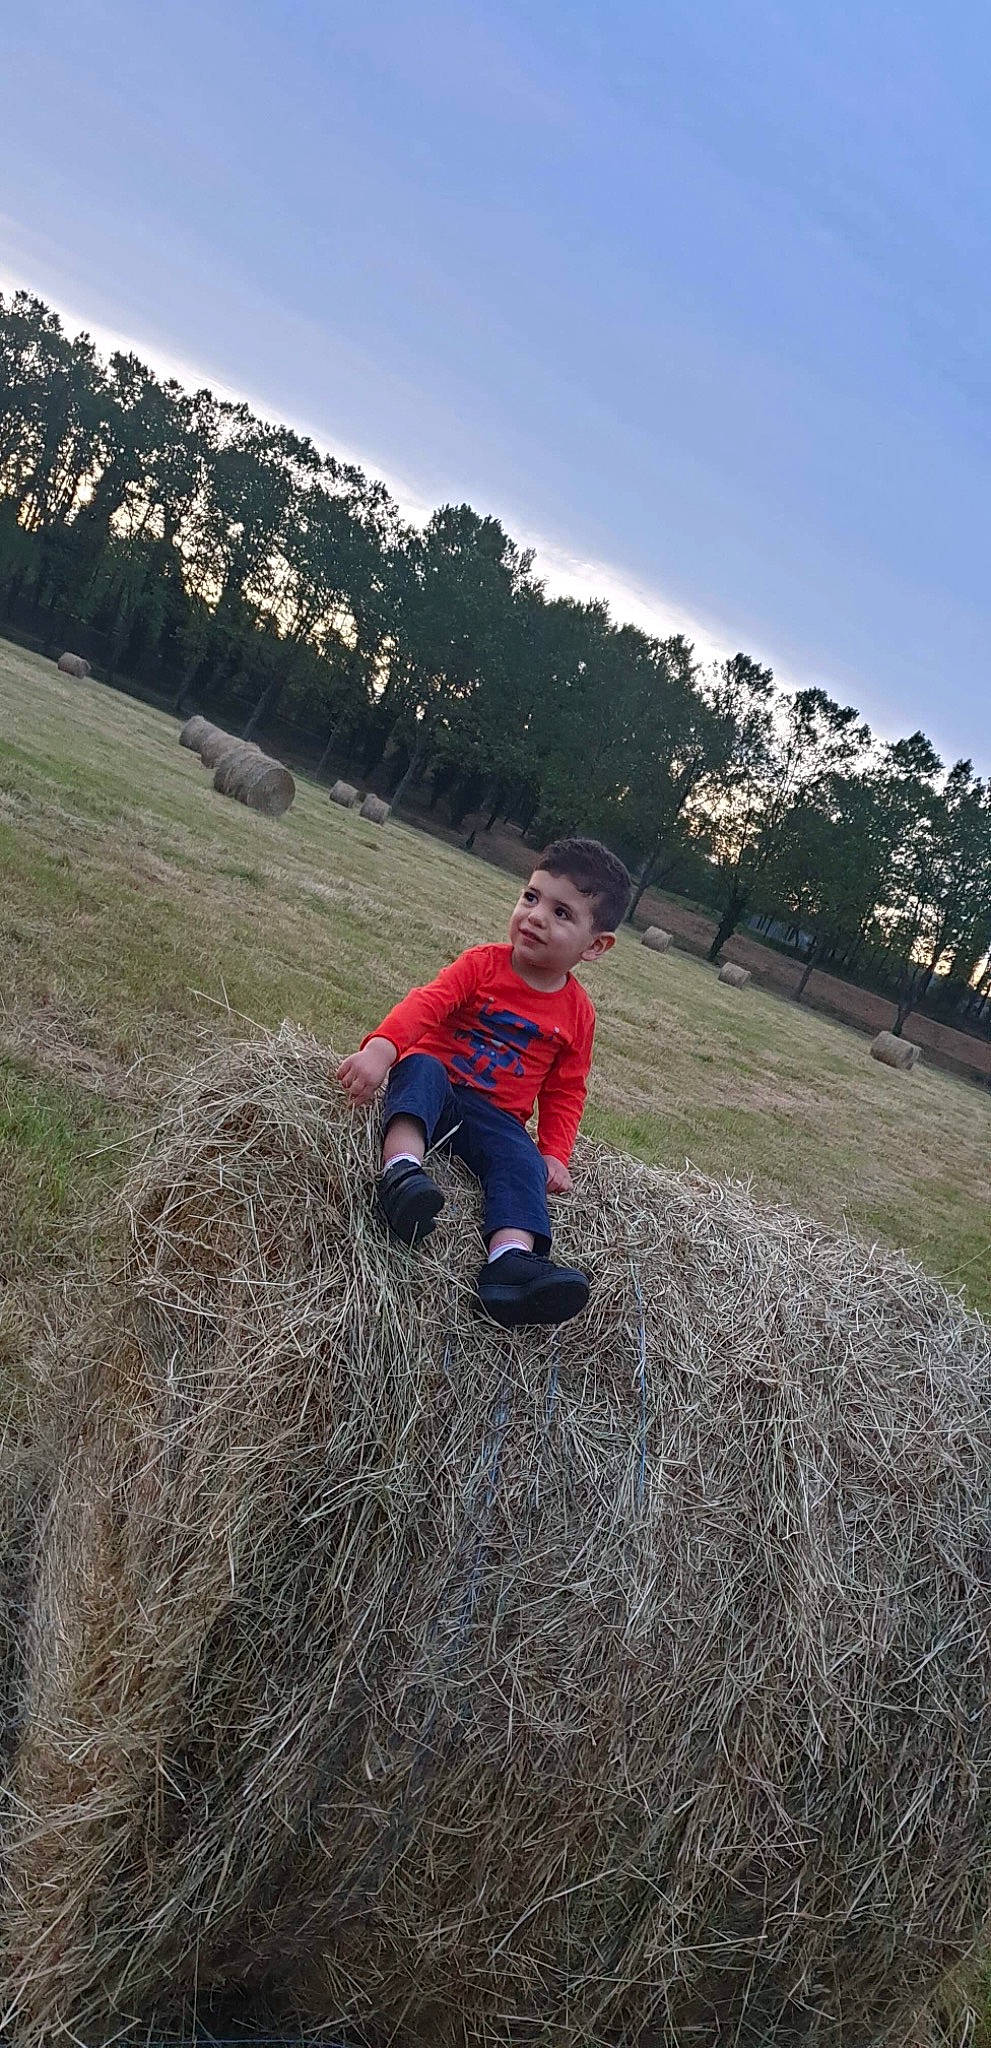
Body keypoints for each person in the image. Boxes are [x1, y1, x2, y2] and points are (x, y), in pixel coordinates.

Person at [338, 837, 631, 1328]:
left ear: (596, 945)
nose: (535, 916)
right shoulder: (482, 965)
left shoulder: (577, 1013)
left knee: (521, 1160)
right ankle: (402, 1175)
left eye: (562, 913)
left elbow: (566, 1089)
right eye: (531, 898)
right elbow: (425, 1005)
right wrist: (381, 1049)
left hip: (496, 1119)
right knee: (421, 1068)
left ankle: (509, 1264)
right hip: (440, 1090)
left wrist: (554, 1151)